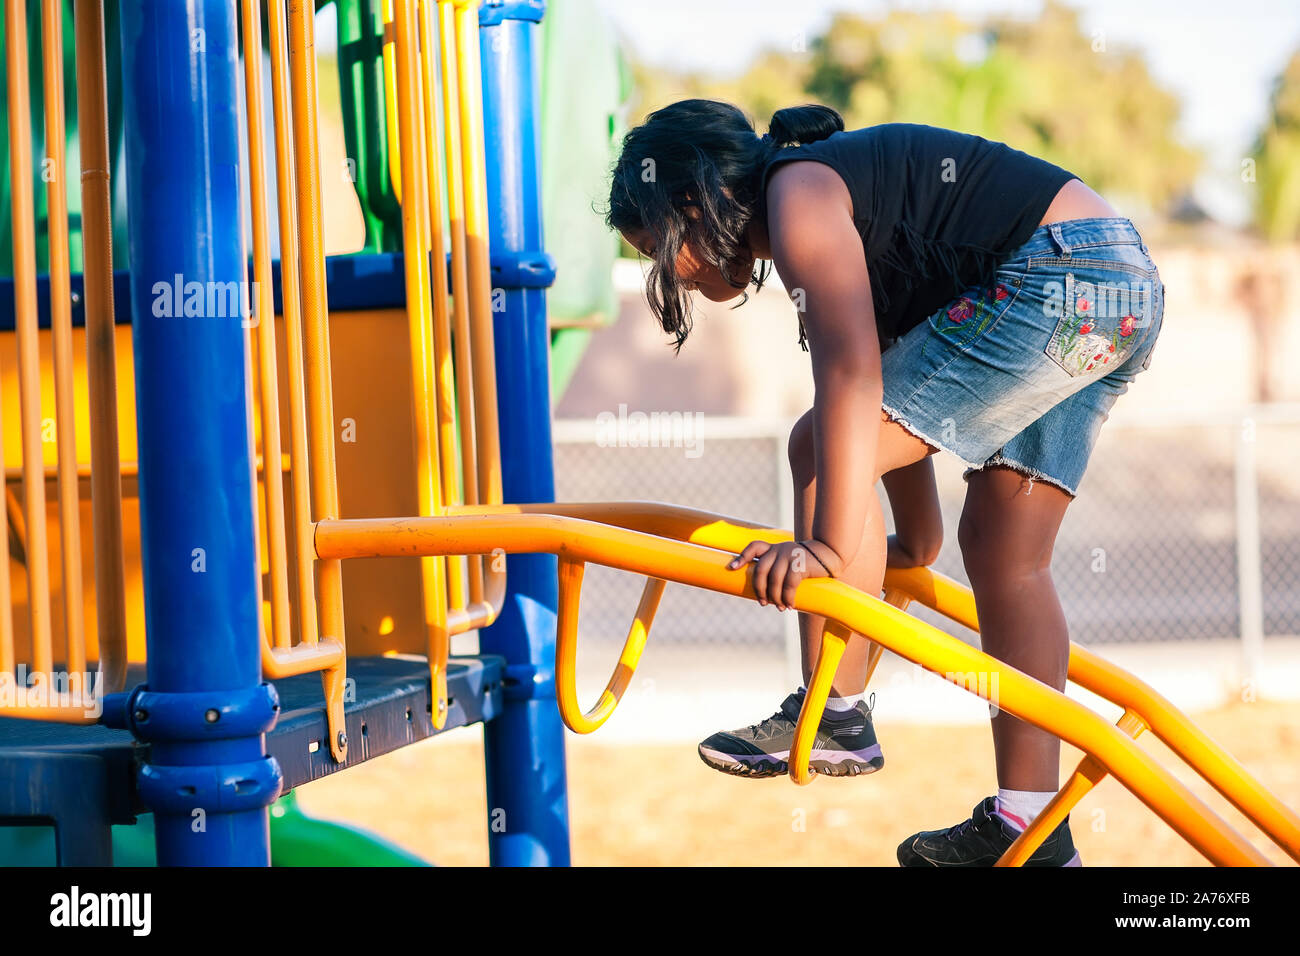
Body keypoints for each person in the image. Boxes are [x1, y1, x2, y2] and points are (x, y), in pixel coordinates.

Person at [605, 99, 1164, 866]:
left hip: (1061, 275)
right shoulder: (840, 205)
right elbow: (904, 391)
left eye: (658, 248)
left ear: (693, 209)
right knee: (1006, 558)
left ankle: (834, 709)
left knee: (817, 443)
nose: (665, 271)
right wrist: (916, 541)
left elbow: (851, 373)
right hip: (1115, 289)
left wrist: (830, 550)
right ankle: (1031, 824)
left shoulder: (798, 196)